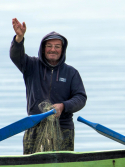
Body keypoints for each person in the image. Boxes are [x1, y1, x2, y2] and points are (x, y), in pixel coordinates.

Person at [10, 18, 87, 154]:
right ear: (43, 48)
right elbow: (16, 56)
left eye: (57, 46)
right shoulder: (31, 66)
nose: (53, 49)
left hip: (63, 128)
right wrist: (19, 38)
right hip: (34, 126)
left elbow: (80, 98)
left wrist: (63, 106)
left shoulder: (71, 73)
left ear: (62, 50)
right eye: (49, 46)